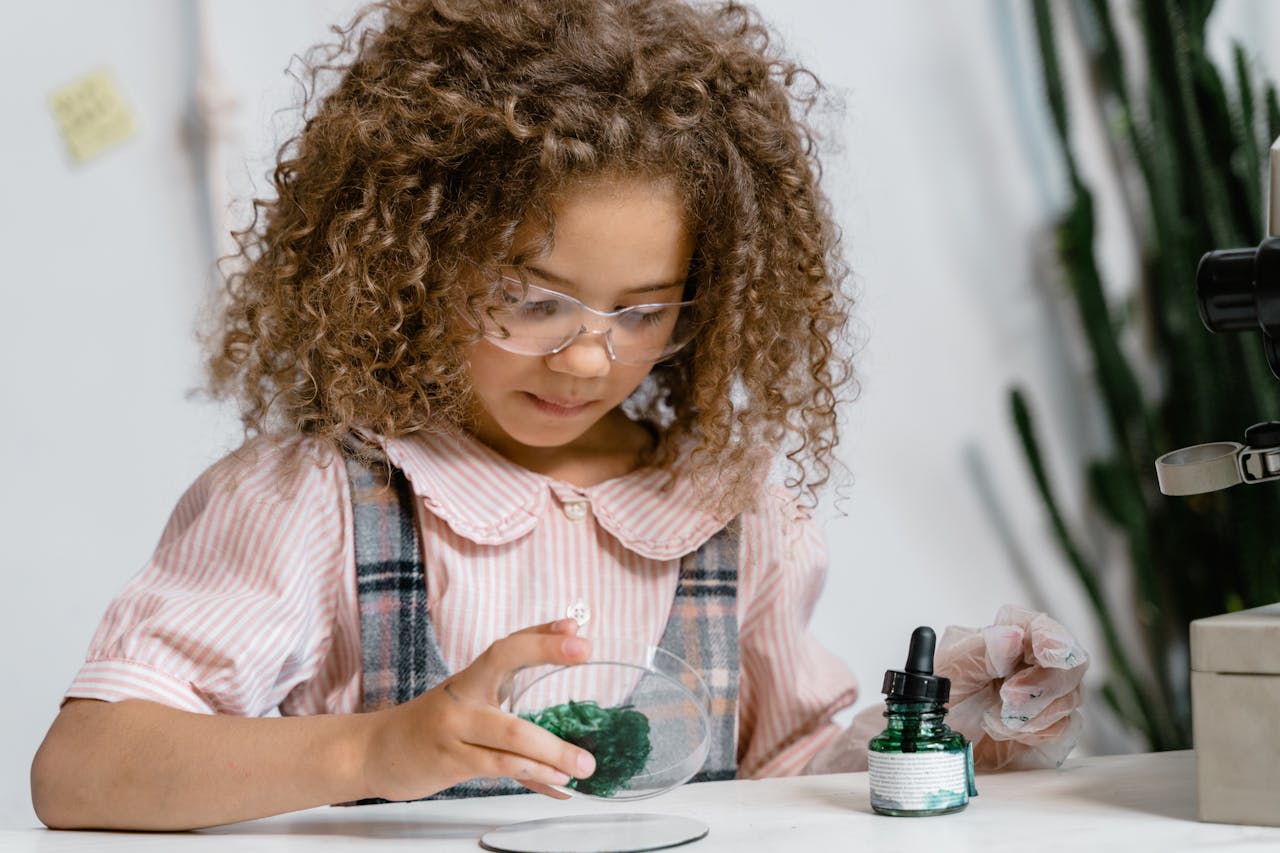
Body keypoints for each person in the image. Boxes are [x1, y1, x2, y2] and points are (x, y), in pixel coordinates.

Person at [30, 0, 1086, 831]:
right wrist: (373, 750)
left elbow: (789, 782)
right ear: (413, 259)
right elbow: (82, 772)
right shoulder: (315, 501)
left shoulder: (730, 507)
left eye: (642, 313)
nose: (587, 356)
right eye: (530, 299)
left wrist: (939, 728)